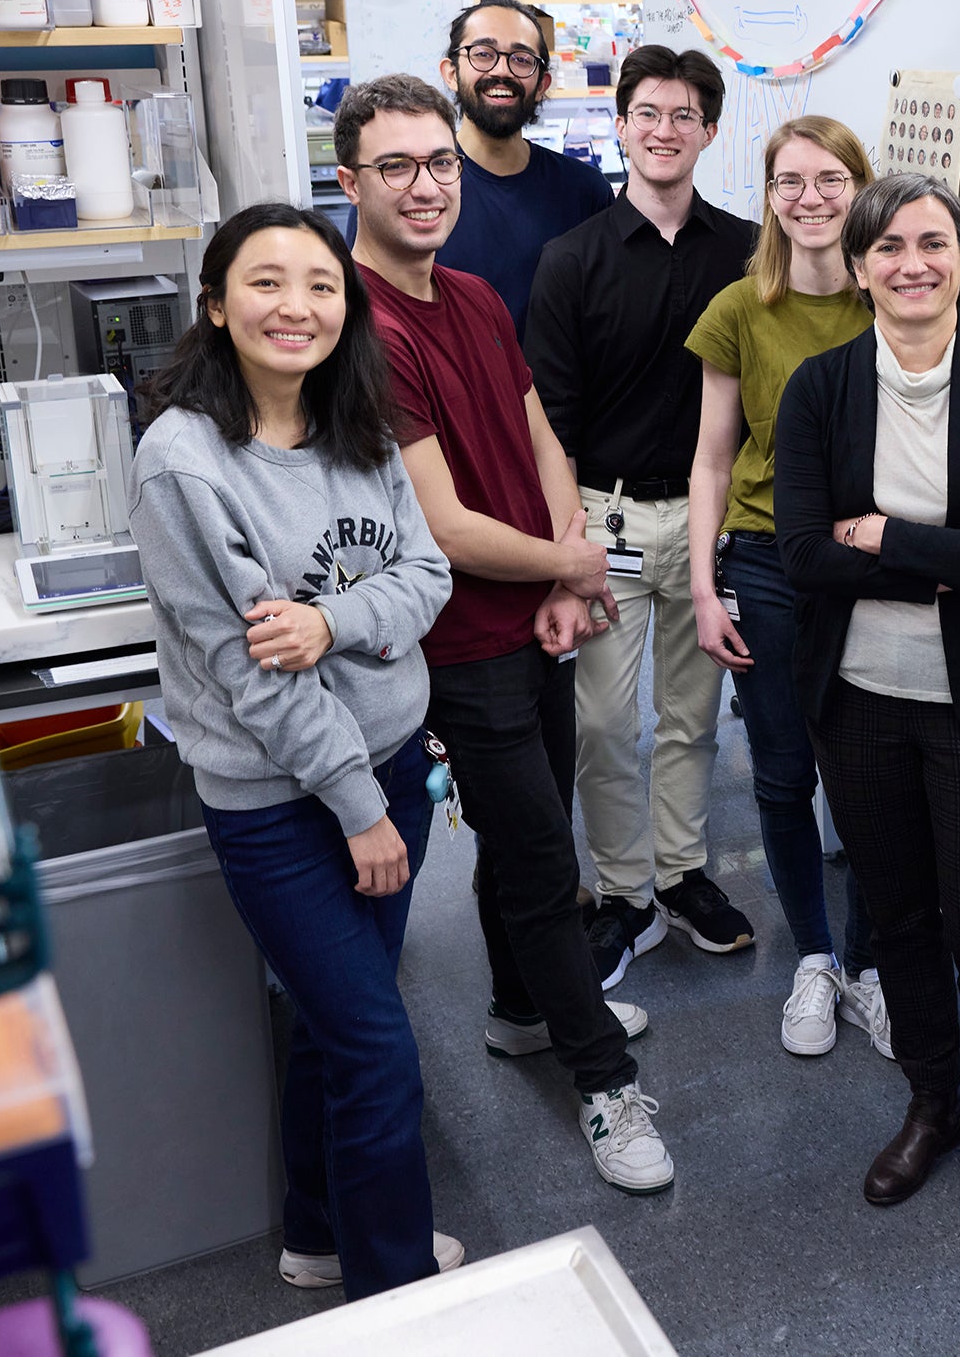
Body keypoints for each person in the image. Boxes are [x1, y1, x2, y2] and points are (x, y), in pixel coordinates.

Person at [336, 72, 669, 1196]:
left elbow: (541, 437)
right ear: (351, 182)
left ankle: (524, 1007)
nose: (425, 186)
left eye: (439, 163)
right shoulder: (361, 330)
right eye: (397, 167)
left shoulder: (473, 295)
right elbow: (442, 524)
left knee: (537, 825)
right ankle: (603, 1078)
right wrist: (568, 562)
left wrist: (570, 563)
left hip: (537, 614)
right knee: (537, 858)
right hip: (460, 645)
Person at [130, 203, 457, 1300]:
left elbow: (429, 578)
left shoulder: (358, 421)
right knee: (377, 1047)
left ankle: (318, 1235)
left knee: (331, 1029)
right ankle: (398, 1295)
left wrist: (331, 621)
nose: (296, 306)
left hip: (397, 765)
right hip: (286, 804)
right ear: (217, 305)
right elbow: (251, 673)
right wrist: (356, 803)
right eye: (265, 283)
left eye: (320, 284)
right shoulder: (185, 461)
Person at [775, 173, 960, 1228]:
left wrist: (883, 537)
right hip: (860, 699)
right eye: (888, 245)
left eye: (933, 242)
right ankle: (932, 1101)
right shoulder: (819, 387)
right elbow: (805, 553)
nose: (912, 263)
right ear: (857, 267)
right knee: (896, 916)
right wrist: (951, 556)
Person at [527, 43, 756, 984]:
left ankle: (681, 873)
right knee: (605, 722)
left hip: (712, 520)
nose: (665, 132)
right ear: (620, 125)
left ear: (709, 131)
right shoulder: (571, 260)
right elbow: (551, 423)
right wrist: (567, 547)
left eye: (685, 117)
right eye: (648, 114)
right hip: (605, 519)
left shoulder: (747, 250)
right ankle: (622, 892)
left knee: (694, 717)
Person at [684, 114, 889, 1057]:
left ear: (859, 185)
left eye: (830, 180)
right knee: (780, 771)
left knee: (870, 772)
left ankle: (873, 963)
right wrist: (701, 585)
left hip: (875, 565)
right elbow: (713, 463)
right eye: (789, 181)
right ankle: (814, 956)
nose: (810, 199)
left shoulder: (893, 292)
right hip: (765, 561)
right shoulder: (738, 309)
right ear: (768, 196)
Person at [434, 0, 615, 335]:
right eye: (483, 54)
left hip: (558, 389)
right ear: (451, 72)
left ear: (543, 84)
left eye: (521, 59)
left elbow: (607, 319)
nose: (501, 71)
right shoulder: (416, 189)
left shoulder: (585, 191)